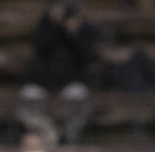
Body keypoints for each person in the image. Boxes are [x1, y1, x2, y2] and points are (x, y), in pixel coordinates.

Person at [20, 1, 99, 143]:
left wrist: (74, 33)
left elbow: (88, 58)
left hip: (70, 81)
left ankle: (68, 135)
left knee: (79, 95)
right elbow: (40, 47)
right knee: (28, 95)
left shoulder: (84, 28)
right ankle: (49, 133)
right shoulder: (45, 24)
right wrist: (52, 22)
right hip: (43, 81)